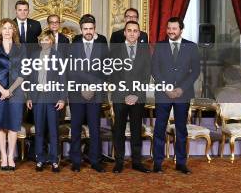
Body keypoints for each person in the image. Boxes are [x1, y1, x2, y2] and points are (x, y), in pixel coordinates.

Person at [152, 17, 200, 174]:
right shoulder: (159, 46)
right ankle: (157, 163)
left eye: (174, 28)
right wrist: (166, 88)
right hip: (163, 94)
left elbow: (195, 71)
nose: (171, 31)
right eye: (169, 28)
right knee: (159, 129)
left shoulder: (191, 47)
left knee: (181, 129)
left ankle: (181, 163)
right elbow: (155, 69)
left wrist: (181, 89)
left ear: (181, 29)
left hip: (182, 95)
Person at [68, 14, 109, 172]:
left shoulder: (101, 46)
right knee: (76, 126)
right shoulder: (74, 45)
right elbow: (71, 70)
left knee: (94, 127)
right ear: (81, 30)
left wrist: (92, 87)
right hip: (77, 93)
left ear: (95, 28)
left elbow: (106, 70)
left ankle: (95, 160)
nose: (88, 31)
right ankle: (76, 160)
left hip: (96, 93)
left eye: (91, 28)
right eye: (85, 29)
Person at [109, 20, 151, 173]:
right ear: (124, 33)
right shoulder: (115, 50)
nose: (132, 33)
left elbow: (147, 75)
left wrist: (135, 94)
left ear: (139, 34)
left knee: (136, 130)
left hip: (138, 97)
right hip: (120, 96)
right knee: (118, 130)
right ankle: (119, 162)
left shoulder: (145, 50)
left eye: (135, 31)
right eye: (129, 30)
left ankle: (137, 162)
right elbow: (112, 75)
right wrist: (126, 94)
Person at [25, 30, 66, 173]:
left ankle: (55, 160)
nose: (44, 42)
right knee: (39, 130)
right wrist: (29, 96)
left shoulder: (58, 56)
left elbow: (63, 79)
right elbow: (30, 79)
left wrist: (62, 98)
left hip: (53, 98)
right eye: (42, 39)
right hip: (38, 98)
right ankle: (40, 159)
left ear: (51, 41)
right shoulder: (34, 56)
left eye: (47, 40)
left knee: (54, 131)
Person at [0, 18, 25, 170]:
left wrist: (10, 90)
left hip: (16, 90)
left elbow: (24, 72)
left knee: (13, 124)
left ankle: (11, 156)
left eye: (10, 28)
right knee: (0, 124)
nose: (8, 31)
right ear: (0, 31)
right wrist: (2, 90)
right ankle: (3, 156)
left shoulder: (21, 48)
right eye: (5, 28)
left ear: (14, 31)